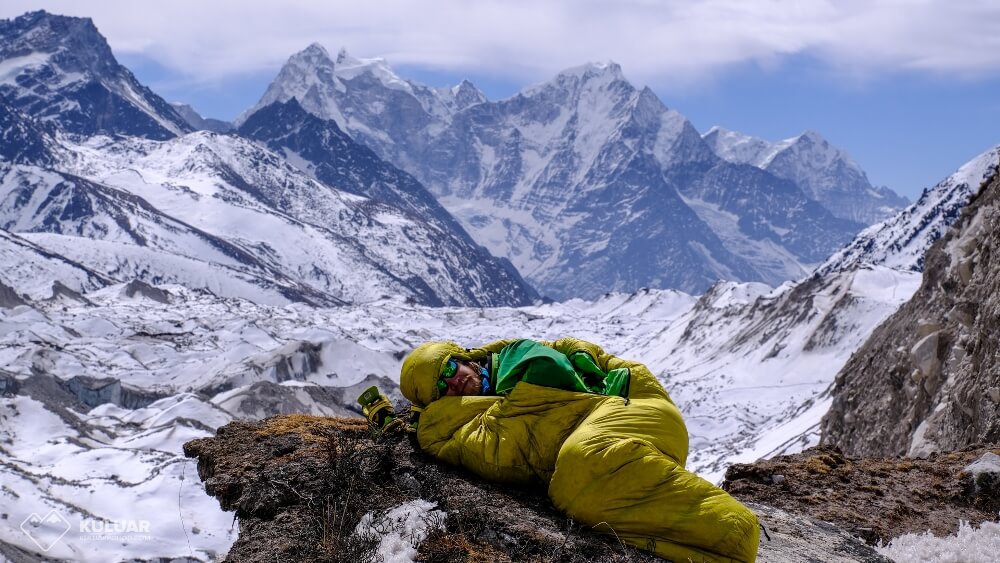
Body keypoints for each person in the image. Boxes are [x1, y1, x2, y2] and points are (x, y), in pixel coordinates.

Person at [400, 337, 760, 563]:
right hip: (628, 436)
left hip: (633, 407)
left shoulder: (516, 359)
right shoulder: (480, 414)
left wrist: (440, 415)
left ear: (467, 358)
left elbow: (548, 377)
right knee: (583, 487)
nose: (455, 380)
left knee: (578, 470)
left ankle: (734, 531)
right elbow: (497, 453)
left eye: (450, 367)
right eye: (441, 388)